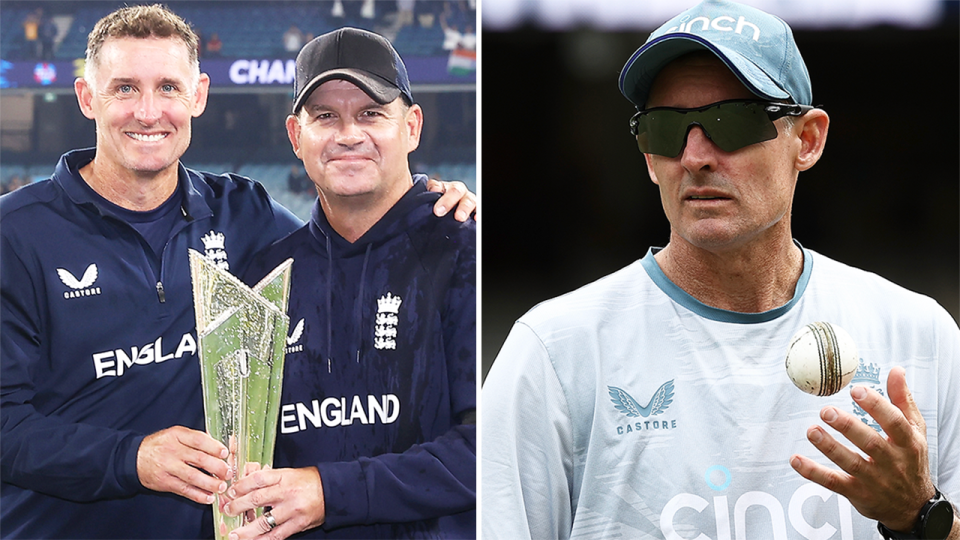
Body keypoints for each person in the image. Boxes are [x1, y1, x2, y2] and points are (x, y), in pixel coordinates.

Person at [481, 1, 959, 540]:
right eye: (665, 129)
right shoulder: (553, 352)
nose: (695, 155)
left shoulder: (920, 334)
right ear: (646, 156)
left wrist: (918, 515)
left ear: (807, 139)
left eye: (731, 121)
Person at [0, 6, 475, 539]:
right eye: (125, 88)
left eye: (169, 88)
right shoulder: (14, 234)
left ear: (198, 95)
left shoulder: (244, 218)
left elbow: (348, 242)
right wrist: (133, 457)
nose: (149, 111)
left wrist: (430, 209)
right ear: (88, 97)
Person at [221, 27, 475, 539]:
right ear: (296, 136)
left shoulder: (465, 252)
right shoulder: (262, 281)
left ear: (412, 127)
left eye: (371, 113)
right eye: (325, 117)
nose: (348, 134)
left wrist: (326, 492)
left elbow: (495, 447)